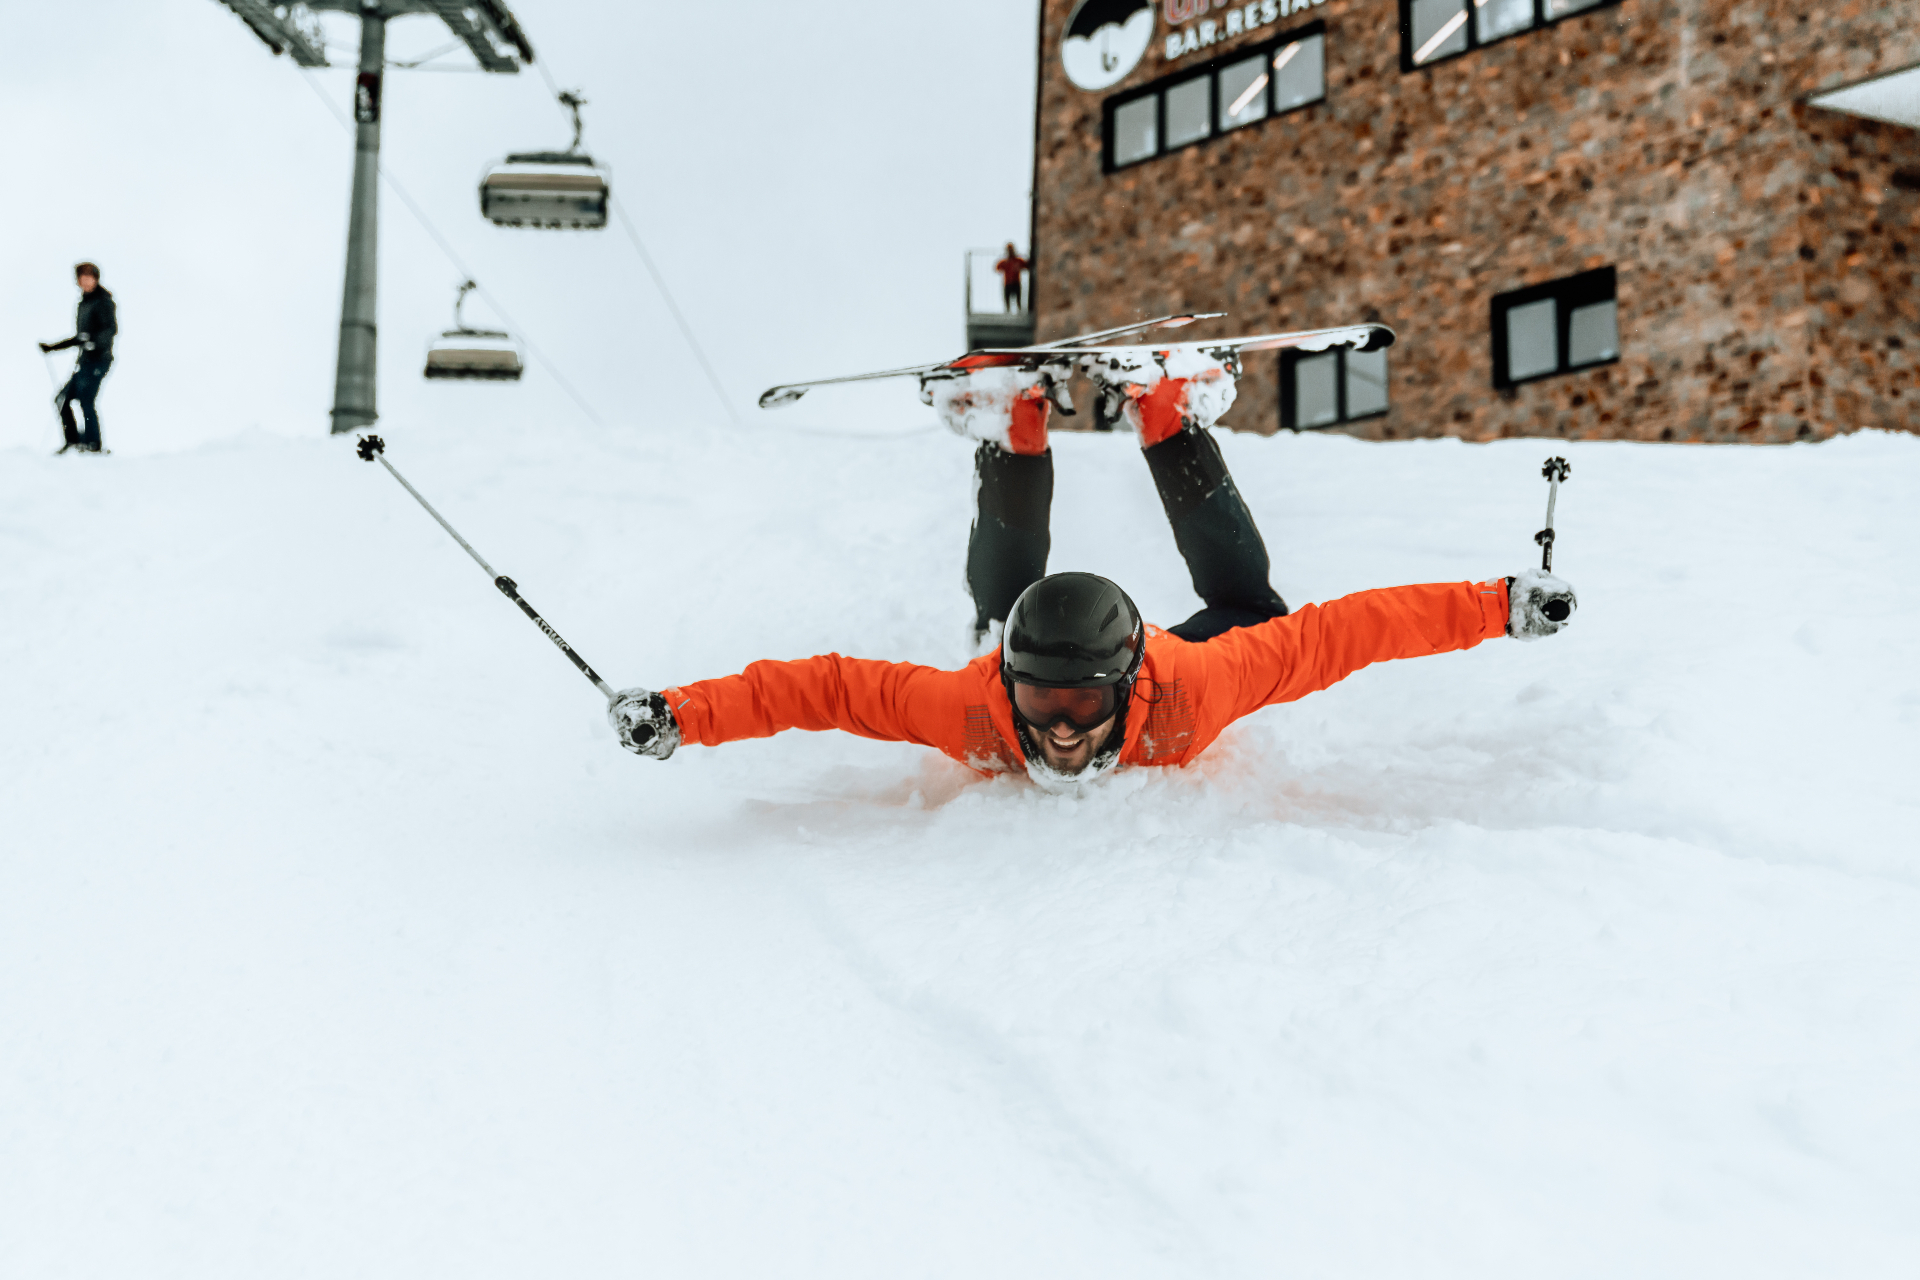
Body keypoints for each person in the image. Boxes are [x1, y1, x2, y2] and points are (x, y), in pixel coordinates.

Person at [607, 346, 1580, 787]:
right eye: (1043, 705)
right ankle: (1018, 420)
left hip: (1169, 657)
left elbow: (1348, 633)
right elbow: (823, 689)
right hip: (1016, 644)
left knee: (1252, 610)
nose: (1062, 733)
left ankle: (1152, 413)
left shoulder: (1197, 684)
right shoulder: (977, 707)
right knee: (996, 618)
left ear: (1132, 679)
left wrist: (1496, 605)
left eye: (1079, 708)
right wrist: (684, 715)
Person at [39, 262, 117, 455]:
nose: (85, 281)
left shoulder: (104, 301)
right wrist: (52, 347)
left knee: (86, 399)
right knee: (61, 399)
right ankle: (73, 442)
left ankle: (93, 444)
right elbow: (80, 337)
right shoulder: (84, 303)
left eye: (88, 277)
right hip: (85, 361)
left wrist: (94, 342)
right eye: (81, 278)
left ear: (96, 278)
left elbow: (110, 330)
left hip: (100, 360)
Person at [994, 243, 1028, 313]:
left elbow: (1026, 265)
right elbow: (997, 267)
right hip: (1008, 283)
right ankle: (1007, 312)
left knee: (1018, 300)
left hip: (1016, 282)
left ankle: (1019, 311)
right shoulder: (1005, 262)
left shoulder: (1017, 260)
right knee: (1007, 300)